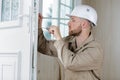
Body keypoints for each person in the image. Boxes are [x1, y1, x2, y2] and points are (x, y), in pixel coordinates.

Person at [38, 4, 103, 80]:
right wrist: (38, 26)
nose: (68, 23)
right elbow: (43, 46)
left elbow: (70, 63)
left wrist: (59, 38)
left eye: (73, 20)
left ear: (84, 24)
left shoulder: (95, 50)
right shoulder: (68, 41)